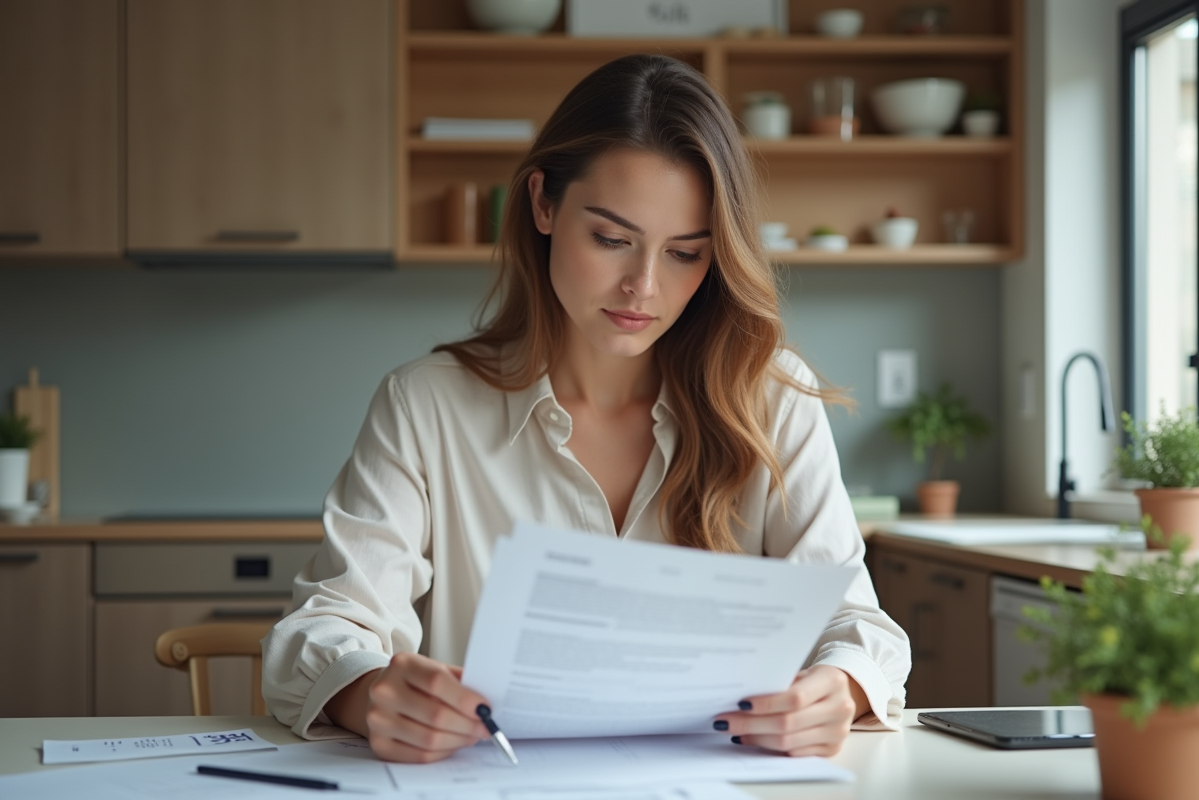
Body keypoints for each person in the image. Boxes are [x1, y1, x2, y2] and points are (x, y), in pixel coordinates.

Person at [263, 53, 910, 764]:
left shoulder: (771, 399)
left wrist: (838, 689)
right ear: (541, 203)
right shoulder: (427, 405)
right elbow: (324, 624)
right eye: (611, 239)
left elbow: (857, 624)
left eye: (686, 254)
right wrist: (369, 694)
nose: (643, 287)